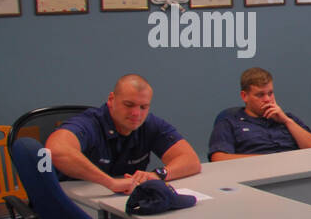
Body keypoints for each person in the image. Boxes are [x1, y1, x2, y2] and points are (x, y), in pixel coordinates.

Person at [46, 74, 200, 194]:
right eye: (129, 105)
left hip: (122, 204)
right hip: (76, 205)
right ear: (111, 99)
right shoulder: (90, 123)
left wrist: (158, 174)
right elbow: (56, 150)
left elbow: (191, 160)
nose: (136, 114)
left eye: (143, 107)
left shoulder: (150, 124)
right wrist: (110, 183)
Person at [208, 67, 311, 161]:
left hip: (295, 171)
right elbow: (218, 158)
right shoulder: (230, 120)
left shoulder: (288, 119)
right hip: (256, 173)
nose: (267, 99)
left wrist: (287, 122)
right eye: (260, 95)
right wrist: (269, 160)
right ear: (244, 96)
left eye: (270, 93)